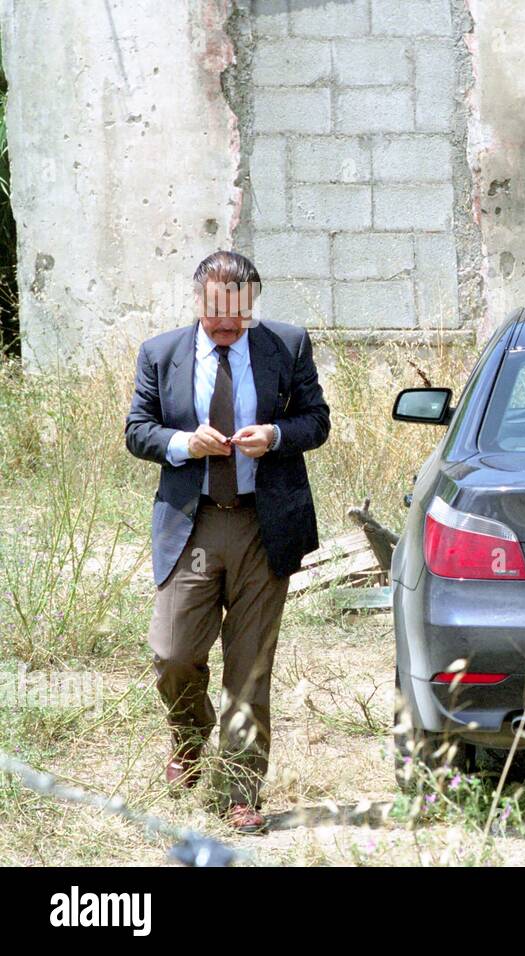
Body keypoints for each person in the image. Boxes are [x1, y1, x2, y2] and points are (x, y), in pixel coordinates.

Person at [124, 251, 330, 832]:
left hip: (263, 525)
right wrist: (185, 444)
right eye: (216, 312)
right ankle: (189, 741)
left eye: (238, 314)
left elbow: (317, 420)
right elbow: (138, 429)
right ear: (198, 300)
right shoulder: (161, 354)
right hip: (192, 521)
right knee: (173, 652)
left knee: (249, 666)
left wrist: (277, 434)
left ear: (251, 305)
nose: (225, 325)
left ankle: (240, 785)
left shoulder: (285, 347)